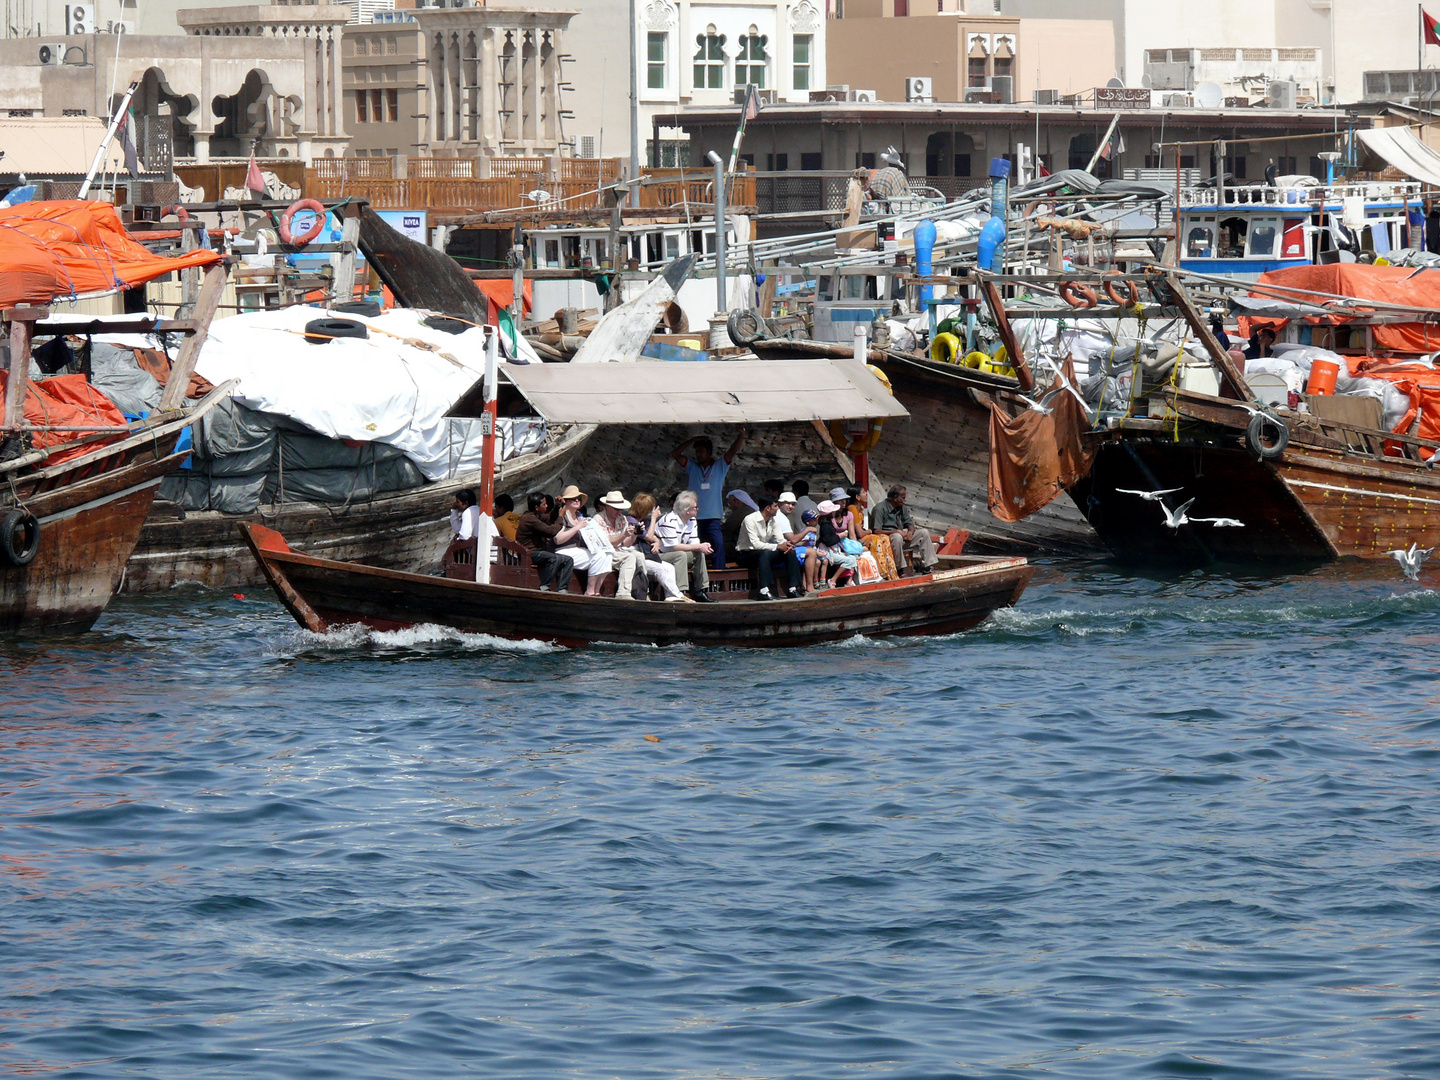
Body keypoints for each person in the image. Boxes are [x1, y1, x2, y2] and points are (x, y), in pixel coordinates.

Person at [672, 429, 747, 568]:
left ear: (709, 452)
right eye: (697, 452)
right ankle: (697, 574)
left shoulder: (719, 466)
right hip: (694, 516)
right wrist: (692, 440)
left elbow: (731, 452)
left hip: (713, 517)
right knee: (694, 546)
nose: (698, 455)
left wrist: (741, 435)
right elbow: (675, 454)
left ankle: (720, 574)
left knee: (718, 544)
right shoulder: (692, 467)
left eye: (701, 451)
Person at [735, 496, 803, 600]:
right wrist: (777, 546)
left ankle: (792, 588)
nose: (778, 508)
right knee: (765, 552)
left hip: (763, 555)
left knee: (790, 551)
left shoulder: (773, 521)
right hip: (746, 555)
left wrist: (786, 546)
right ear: (767, 508)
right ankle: (763, 591)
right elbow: (756, 544)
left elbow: (780, 540)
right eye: (775, 506)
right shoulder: (750, 519)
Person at [655, 489, 716, 602]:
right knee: (680, 555)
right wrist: (699, 546)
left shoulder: (691, 520)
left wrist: (703, 546)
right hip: (659, 555)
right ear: (687, 510)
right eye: (695, 507)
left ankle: (700, 591)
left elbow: (694, 543)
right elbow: (673, 546)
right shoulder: (668, 520)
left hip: (674, 553)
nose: (697, 509)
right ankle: (680, 592)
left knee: (698, 553)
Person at [553, 485, 612, 596]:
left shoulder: (580, 517)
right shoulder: (563, 516)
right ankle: (589, 591)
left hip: (578, 550)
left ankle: (596, 591)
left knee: (607, 556)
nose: (576, 500)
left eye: (578, 499)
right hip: (563, 550)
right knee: (598, 556)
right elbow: (558, 540)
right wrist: (577, 527)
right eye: (573, 498)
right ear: (566, 501)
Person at [629, 492, 689, 601]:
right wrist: (653, 519)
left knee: (669, 567)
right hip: (634, 555)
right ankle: (678, 595)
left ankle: (671, 597)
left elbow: (654, 537)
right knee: (660, 569)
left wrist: (656, 543)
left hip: (646, 555)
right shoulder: (631, 521)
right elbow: (649, 536)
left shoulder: (644, 522)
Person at [514, 491, 575, 592]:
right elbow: (551, 532)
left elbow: (550, 518)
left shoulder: (536, 515)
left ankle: (562, 589)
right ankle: (544, 586)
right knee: (554, 558)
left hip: (538, 552)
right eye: (544, 504)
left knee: (568, 560)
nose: (547, 506)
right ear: (537, 507)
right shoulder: (529, 519)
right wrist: (561, 516)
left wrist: (558, 506)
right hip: (528, 553)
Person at [873, 484, 937, 575]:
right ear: (895, 498)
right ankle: (901, 569)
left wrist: (910, 533)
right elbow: (876, 531)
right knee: (897, 537)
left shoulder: (902, 507)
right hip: (888, 541)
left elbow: (910, 524)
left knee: (924, 532)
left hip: (902, 538)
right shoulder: (879, 509)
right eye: (903, 498)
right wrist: (896, 531)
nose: (905, 500)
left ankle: (927, 566)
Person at [597, 490, 649, 600]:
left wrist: (635, 533)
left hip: (618, 550)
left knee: (639, 556)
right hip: (604, 551)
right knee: (629, 557)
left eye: (621, 509)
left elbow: (626, 543)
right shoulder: (598, 519)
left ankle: (643, 590)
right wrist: (624, 534)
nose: (619, 512)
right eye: (616, 509)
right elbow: (609, 543)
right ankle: (623, 593)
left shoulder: (622, 519)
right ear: (607, 506)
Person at [722, 489, 757, 563]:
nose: (729, 507)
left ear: (736, 501)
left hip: (740, 548)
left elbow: (726, 530)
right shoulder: (751, 510)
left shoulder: (740, 512)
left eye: (730, 504)